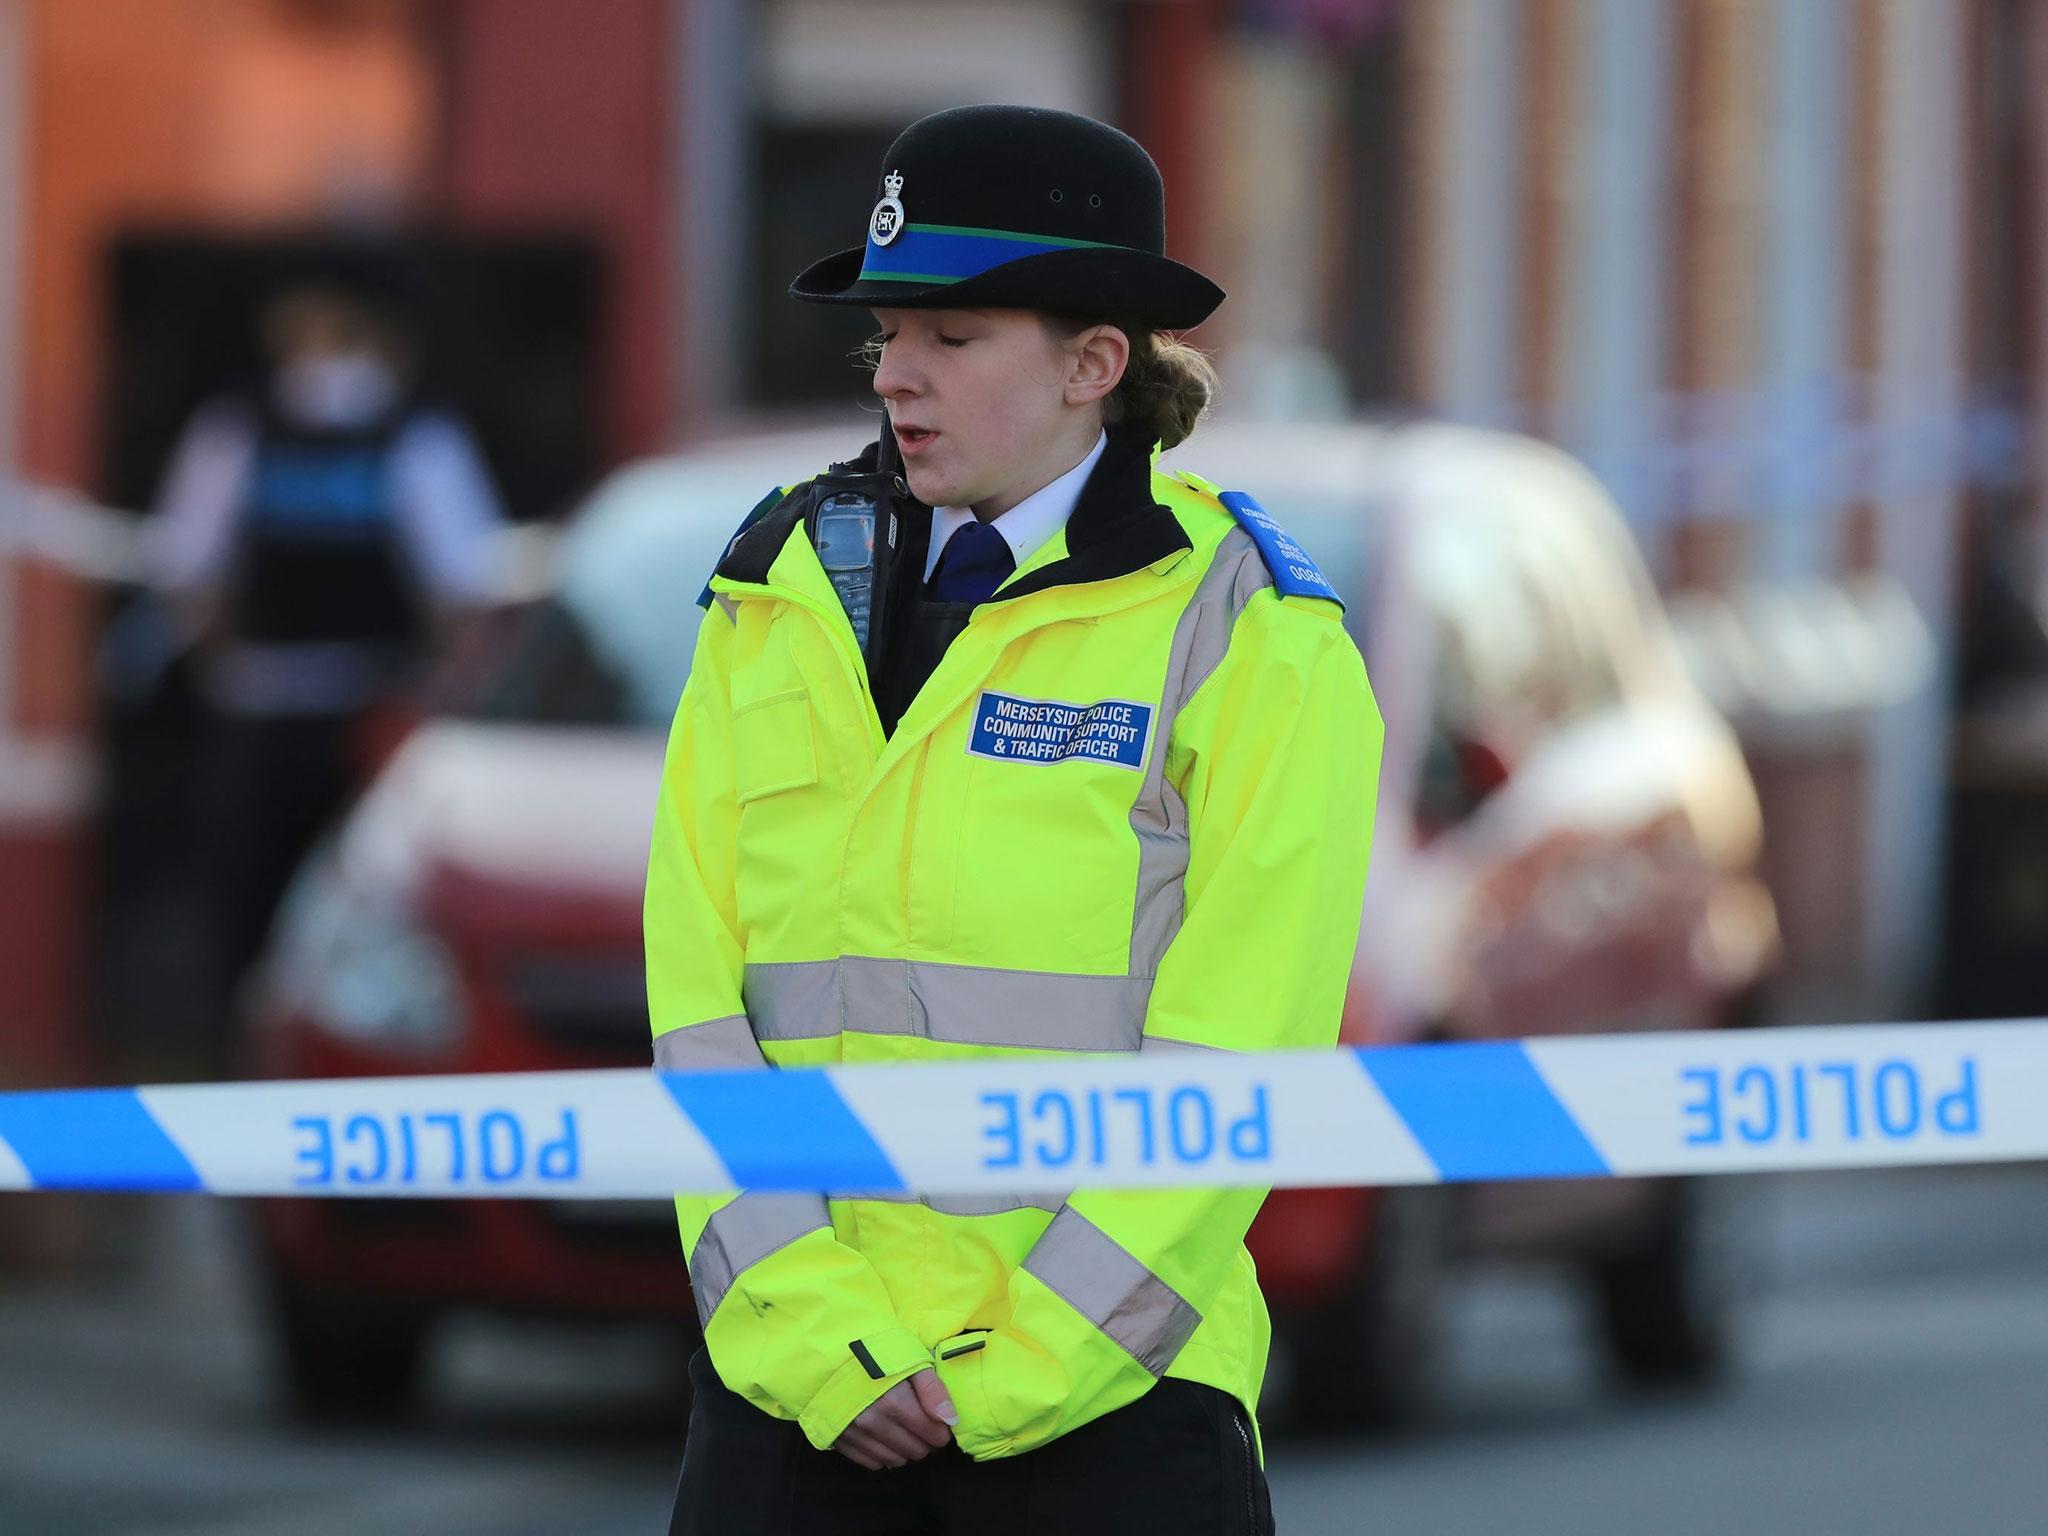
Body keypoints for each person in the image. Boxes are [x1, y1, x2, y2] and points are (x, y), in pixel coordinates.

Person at [646, 104, 1383, 1535]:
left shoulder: (1252, 636)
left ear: (1094, 365)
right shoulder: (773, 584)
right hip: (796, 1398)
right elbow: (697, 996)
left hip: (1116, 1409)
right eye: (887, 338)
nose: (897, 376)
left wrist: (1015, 1370)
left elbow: (1237, 1058)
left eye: (953, 337)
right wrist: (817, 1341)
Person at [147, 270, 510, 1071]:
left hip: (332, 719)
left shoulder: (378, 430)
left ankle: (274, 1074)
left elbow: (188, 576)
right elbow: (463, 593)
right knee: (285, 923)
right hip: (313, 715)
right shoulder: (266, 425)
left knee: (336, 929)